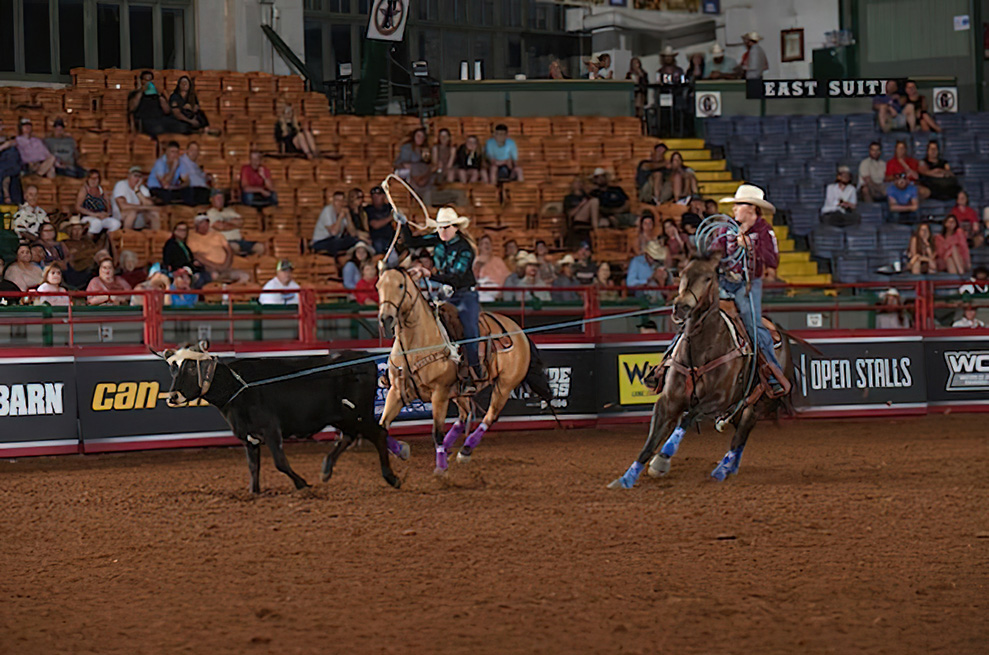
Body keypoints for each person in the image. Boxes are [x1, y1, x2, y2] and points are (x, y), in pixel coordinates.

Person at [398, 207, 484, 393]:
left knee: (469, 330)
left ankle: (474, 371)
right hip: (446, 294)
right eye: (440, 227)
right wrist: (403, 223)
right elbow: (412, 242)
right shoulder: (438, 239)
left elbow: (457, 277)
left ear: (455, 228)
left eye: (446, 227)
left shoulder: (465, 249)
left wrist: (429, 274)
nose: (442, 231)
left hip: (464, 295)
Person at [714, 184, 785, 394]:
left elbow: (773, 260)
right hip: (724, 281)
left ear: (751, 209)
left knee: (751, 322)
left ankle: (773, 372)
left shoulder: (764, 230)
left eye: (739, 205)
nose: (734, 209)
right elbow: (714, 253)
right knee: (695, 311)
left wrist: (750, 247)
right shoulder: (725, 228)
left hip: (748, 284)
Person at [186, 214, 250, 284]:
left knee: (245, 276)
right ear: (196, 226)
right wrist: (216, 266)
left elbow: (229, 250)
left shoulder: (217, 234)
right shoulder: (191, 236)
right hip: (209, 269)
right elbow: (197, 256)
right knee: (215, 276)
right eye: (202, 225)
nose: (205, 227)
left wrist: (225, 265)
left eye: (206, 224)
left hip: (225, 267)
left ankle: (232, 291)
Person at [129, 70, 189, 136]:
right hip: (147, 120)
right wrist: (141, 91)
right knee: (158, 129)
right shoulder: (135, 94)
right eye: (146, 80)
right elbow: (131, 108)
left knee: (182, 127)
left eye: (150, 80)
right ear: (141, 81)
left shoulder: (157, 94)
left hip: (161, 119)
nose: (148, 82)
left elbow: (167, 111)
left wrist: (161, 98)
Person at [206, 191, 265, 257]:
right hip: (224, 241)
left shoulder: (229, 211)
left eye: (221, 198)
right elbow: (220, 227)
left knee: (259, 247)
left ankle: (254, 264)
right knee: (234, 247)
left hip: (239, 240)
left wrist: (225, 222)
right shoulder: (211, 212)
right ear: (211, 199)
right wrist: (233, 224)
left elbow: (240, 222)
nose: (220, 200)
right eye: (218, 198)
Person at [311, 190, 359, 255]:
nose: (340, 203)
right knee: (337, 243)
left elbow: (353, 233)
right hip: (321, 241)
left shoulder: (344, 210)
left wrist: (348, 216)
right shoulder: (327, 211)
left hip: (335, 240)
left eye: (342, 201)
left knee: (354, 240)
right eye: (337, 200)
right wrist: (340, 217)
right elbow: (333, 232)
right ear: (333, 202)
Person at [113, 166, 160, 231]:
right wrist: (143, 207)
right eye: (135, 176)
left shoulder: (142, 188)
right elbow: (123, 206)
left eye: (139, 177)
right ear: (129, 176)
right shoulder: (121, 184)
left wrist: (138, 192)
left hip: (139, 214)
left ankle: (155, 238)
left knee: (154, 214)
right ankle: (127, 237)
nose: (137, 179)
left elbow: (149, 205)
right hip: (121, 215)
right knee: (132, 213)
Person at [75, 169, 120, 234]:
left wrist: (106, 214)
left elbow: (108, 204)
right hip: (88, 216)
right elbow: (78, 207)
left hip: (101, 216)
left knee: (116, 224)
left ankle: (106, 240)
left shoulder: (101, 190)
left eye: (96, 178)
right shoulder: (84, 190)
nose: (93, 181)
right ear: (88, 179)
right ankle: (90, 240)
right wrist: (94, 214)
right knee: (96, 223)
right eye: (91, 178)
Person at [61, 215, 99, 289]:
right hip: (74, 271)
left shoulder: (87, 241)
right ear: (70, 230)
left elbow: (96, 250)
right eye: (75, 229)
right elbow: (73, 256)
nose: (77, 231)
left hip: (89, 268)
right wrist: (89, 253)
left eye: (79, 229)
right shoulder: (65, 243)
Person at [473, 234, 511, 302]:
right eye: (484, 243)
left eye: (488, 243)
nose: (487, 245)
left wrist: (502, 291)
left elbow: (507, 277)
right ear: (480, 246)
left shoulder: (498, 261)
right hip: (480, 288)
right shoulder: (474, 261)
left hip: (495, 289)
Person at [564, 176, 601, 243]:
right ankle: (596, 230)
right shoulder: (569, 198)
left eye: (580, 182)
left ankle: (597, 230)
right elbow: (570, 214)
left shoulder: (585, 196)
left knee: (595, 201)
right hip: (577, 218)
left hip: (587, 218)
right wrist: (581, 205)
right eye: (576, 182)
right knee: (594, 201)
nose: (578, 184)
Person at [364, 186, 395, 255]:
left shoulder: (390, 208)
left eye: (378, 196)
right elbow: (375, 225)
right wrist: (390, 218)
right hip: (376, 239)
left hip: (390, 239)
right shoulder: (368, 210)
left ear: (383, 196)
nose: (376, 199)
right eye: (374, 197)